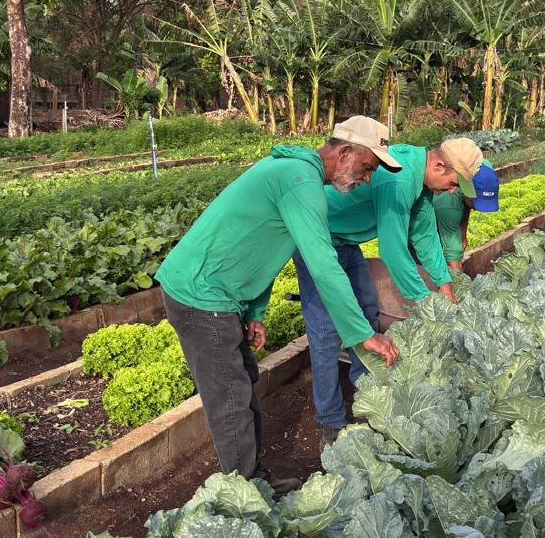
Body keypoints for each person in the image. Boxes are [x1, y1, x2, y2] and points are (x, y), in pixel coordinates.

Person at [154, 116, 402, 494]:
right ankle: (245, 497)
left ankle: (253, 478)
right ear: (344, 152)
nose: (367, 179)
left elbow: (264, 246)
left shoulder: (294, 173)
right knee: (230, 399)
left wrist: (254, 312)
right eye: (367, 167)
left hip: (218, 293)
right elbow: (324, 266)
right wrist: (363, 334)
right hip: (202, 295)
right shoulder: (301, 183)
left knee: (241, 386)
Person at [293, 137, 485, 451]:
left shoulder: (421, 179)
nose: (453, 192)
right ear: (439, 166)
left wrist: (445, 288)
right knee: (327, 332)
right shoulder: (399, 180)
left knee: (367, 312)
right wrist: (428, 305)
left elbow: (425, 236)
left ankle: (366, 393)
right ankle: (330, 420)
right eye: (453, 183)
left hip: (344, 241)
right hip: (317, 238)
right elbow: (393, 251)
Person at [433, 159, 501, 270]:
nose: (477, 209)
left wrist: (463, 233)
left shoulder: (484, 168)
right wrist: (459, 277)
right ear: (465, 191)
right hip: (414, 215)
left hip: (457, 201)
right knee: (431, 254)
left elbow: (467, 203)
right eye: (476, 203)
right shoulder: (448, 203)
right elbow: (453, 257)